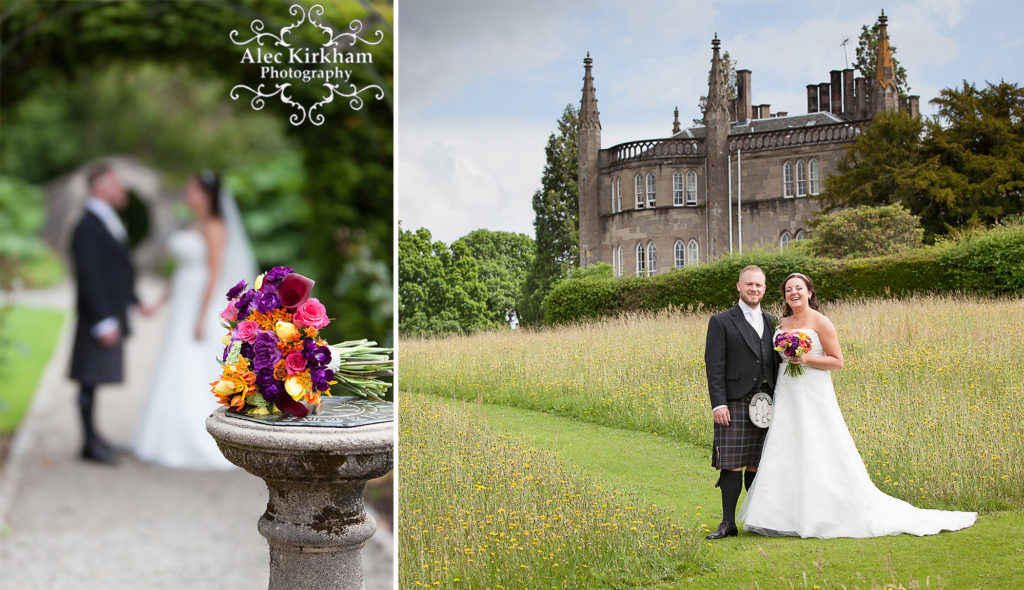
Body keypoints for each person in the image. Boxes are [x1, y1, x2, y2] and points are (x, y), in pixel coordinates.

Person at [737, 273, 976, 537]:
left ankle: (824, 513)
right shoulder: (780, 323)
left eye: (799, 288)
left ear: (809, 293)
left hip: (813, 391)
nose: (794, 292)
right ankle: (779, 516)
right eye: (789, 289)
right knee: (786, 445)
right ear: (784, 295)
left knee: (818, 444)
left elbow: (837, 360)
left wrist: (805, 359)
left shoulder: (821, 321)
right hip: (787, 391)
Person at [133, 171, 256, 470]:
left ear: (206, 195)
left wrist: (201, 318)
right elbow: (181, 272)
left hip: (200, 303)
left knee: (192, 364)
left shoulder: (215, 227)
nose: (187, 194)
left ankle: (200, 437)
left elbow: (214, 274)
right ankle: (163, 435)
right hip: (182, 303)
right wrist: (159, 303)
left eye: (192, 189)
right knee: (172, 361)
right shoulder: (192, 224)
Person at [70, 163, 147, 464]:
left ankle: (94, 436)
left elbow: (116, 268)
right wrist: (103, 320)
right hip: (96, 316)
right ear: (100, 187)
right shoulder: (87, 225)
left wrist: (134, 299)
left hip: (110, 311)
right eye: (116, 183)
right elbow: (90, 276)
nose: (122, 189)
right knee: (88, 378)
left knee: (93, 378)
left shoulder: (105, 219)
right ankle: (88, 442)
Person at [703, 265, 780, 539]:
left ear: (764, 288)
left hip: (767, 402)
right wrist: (718, 403)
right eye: (749, 284)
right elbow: (714, 366)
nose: (754, 289)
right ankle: (728, 522)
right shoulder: (721, 321)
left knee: (757, 463)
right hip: (734, 401)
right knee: (732, 462)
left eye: (758, 285)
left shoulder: (773, 321)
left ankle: (758, 519)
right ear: (739, 286)